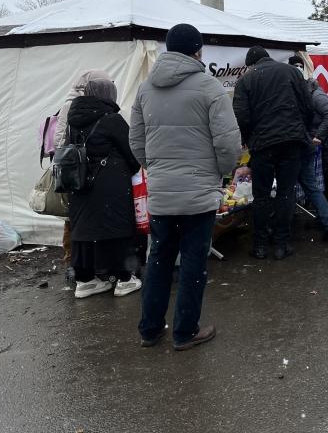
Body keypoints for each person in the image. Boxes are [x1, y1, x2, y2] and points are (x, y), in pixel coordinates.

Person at [131, 23, 241, 350]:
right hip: (199, 194)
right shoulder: (209, 87)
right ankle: (185, 332)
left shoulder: (145, 89)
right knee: (193, 262)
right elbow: (228, 143)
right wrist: (221, 175)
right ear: (197, 50)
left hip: (163, 193)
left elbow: (135, 141)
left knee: (160, 261)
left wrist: (158, 168)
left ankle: (150, 330)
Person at [233, 46, 314, 260]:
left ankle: (259, 245)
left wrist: (250, 139)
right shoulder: (292, 73)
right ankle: (281, 244)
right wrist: (301, 129)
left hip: (263, 146)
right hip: (291, 142)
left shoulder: (246, 80)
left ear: (251, 64)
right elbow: (308, 106)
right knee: (286, 193)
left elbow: (241, 116)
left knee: (261, 196)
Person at [67, 77, 142, 299]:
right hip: (110, 184)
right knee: (117, 229)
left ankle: (85, 280)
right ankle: (125, 279)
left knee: (83, 231)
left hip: (79, 183)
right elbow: (133, 153)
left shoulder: (73, 119)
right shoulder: (112, 119)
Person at [53, 69, 113, 275]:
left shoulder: (71, 105)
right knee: (76, 218)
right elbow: (60, 140)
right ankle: (76, 262)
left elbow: (59, 141)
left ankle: (76, 264)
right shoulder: (74, 106)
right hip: (79, 170)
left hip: (75, 171)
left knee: (75, 217)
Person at [287, 55, 328, 240]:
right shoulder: (300, 92)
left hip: (309, 145)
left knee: (304, 187)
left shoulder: (313, 93)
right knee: (311, 187)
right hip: (305, 145)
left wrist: (318, 136)